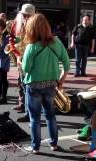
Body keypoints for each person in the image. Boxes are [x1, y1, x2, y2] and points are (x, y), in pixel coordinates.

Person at [22, 13, 70, 153]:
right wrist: (61, 81)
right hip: (51, 85)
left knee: (35, 118)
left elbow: (26, 69)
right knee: (50, 116)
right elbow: (67, 64)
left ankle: (35, 147)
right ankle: (54, 144)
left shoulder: (31, 47)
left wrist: (20, 61)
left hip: (34, 85)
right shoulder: (57, 42)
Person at [12, 3, 36, 114]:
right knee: (20, 82)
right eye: (24, 15)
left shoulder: (36, 26)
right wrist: (17, 55)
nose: (25, 17)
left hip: (32, 58)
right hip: (20, 57)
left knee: (29, 85)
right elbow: (12, 40)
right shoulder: (17, 24)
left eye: (28, 15)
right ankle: (22, 103)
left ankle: (29, 110)